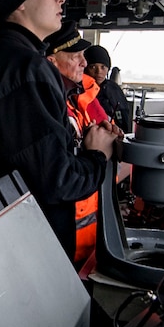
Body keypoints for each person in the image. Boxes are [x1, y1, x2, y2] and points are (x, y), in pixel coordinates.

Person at [0, 0, 117, 266]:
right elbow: (58, 180)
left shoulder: (6, 62)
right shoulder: (25, 68)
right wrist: (97, 155)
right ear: (20, 1)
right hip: (26, 250)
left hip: (6, 243)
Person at [46, 21, 111, 271]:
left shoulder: (79, 95)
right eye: (77, 57)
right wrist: (95, 153)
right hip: (60, 227)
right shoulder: (49, 104)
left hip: (82, 225)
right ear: (52, 61)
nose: (85, 64)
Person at [83, 44, 132, 133]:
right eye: (93, 67)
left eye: (103, 67)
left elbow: (125, 116)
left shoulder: (115, 89)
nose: (98, 72)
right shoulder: (81, 91)